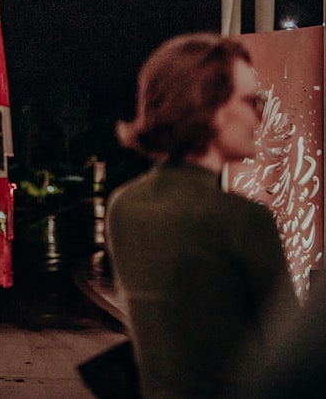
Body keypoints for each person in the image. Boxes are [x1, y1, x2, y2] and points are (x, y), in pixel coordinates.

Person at [106, 33, 297, 398]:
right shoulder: (241, 220)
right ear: (212, 111)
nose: (259, 116)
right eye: (251, 101)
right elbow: (292, 361)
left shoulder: (124, 207)